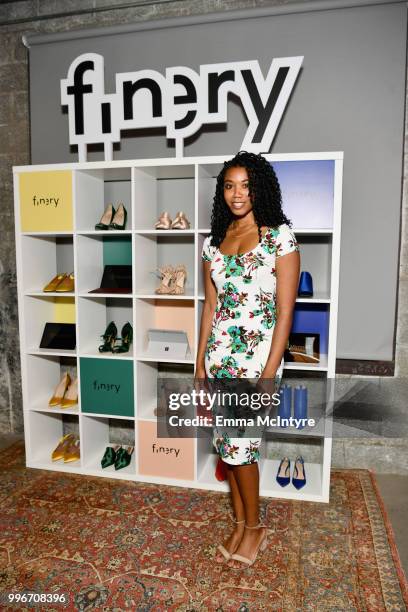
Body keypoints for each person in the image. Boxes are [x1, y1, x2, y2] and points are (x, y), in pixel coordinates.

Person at [194, 151, 300, 568]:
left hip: (258, 359)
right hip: (219, 356)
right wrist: (199, 363)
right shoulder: (212, 243)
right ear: (222, 191)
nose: (238, 194)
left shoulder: (279, 237)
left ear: (260, 188)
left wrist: (271, 373)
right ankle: (240, 522)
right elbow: (210, 306)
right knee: (228, 446)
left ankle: (254, 528)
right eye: (229, 185)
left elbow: (286, 311)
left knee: (241, 448)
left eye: (246, 185)